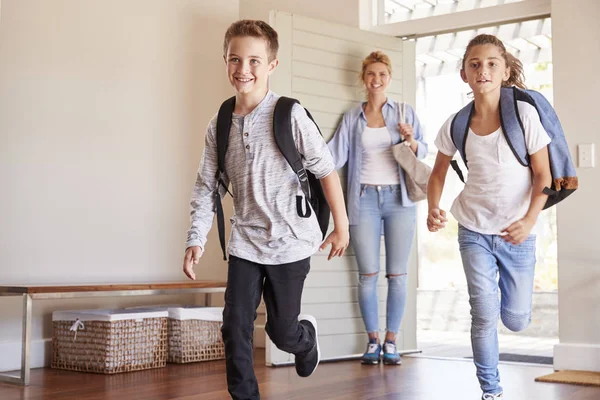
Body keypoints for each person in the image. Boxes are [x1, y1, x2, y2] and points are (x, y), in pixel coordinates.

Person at [181, 20, 349, 400]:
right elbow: (207, 186)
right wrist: (196, 239)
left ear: (272, 65)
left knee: (280, 331)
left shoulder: (289, 115)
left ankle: (304, 340)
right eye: (235, 59)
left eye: (255, 60)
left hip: (291, 242)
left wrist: (342, 227)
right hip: (246, 241)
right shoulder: (219, 124)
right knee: (235, 324)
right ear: (225, 60)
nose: (244, 69)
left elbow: (325, 171)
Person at [426, 34, 552, 400]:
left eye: (492, 63)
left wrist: (529, 220)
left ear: (506, 69)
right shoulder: (456, 123)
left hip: (518, 232)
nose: (483, 70)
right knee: (482, 313)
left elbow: (542, 175)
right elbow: (437, 175)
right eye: (475, 64)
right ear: (464, 73)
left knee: (515, 319)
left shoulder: (522, 114)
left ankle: (506, 303)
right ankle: (491, 392)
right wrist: (434, 208)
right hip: (474, 230)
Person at [327, 51, 428, 365]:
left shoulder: (404, 112)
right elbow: (334, 156)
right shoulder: (352, 118)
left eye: (382, 74)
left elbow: (423, 150)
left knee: (397, 275)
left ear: (389, 77)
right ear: (363, 79)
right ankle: (372, 341)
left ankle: (392, 341)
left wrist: (410, 141)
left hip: (400, 201)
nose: (376, 79)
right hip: (363, 201)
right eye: (371, 74)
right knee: (367, 274)